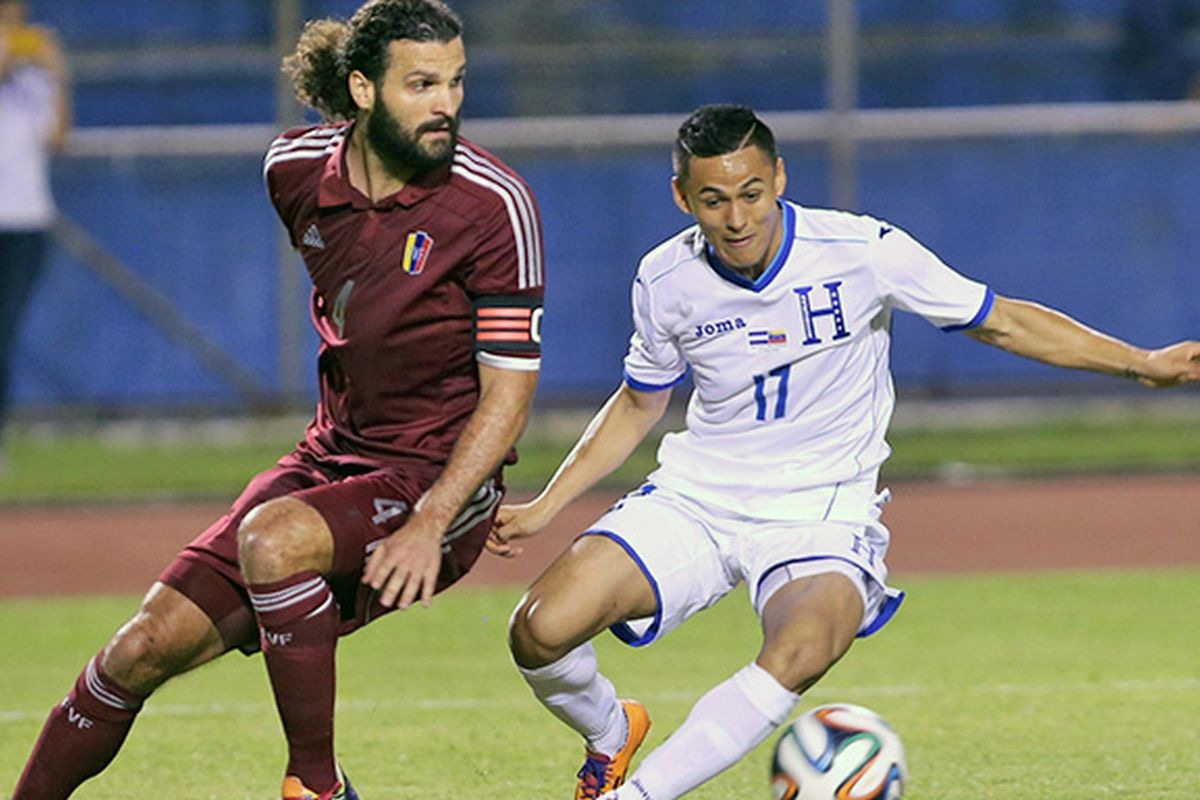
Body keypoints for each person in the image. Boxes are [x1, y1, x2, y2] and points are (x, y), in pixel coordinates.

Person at [489, 104, 1200, 800]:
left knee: (804, 646)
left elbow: (1001, 321)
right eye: (714, 200)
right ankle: (611, 735)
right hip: (699, 495)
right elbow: (640, 401)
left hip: (821, 508)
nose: (737, 218)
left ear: (780, 180)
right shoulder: (665, 279)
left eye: (751, 193)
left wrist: (1141, 363)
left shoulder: (863, 252)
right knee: (539, 630)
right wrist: (549, 502)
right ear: (682, 197)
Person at [10, 1, 544, 798]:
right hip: (331, 459)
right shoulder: (292, 172)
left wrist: (433, 519)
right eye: (421, 83)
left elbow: (510, 391)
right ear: (362, 89)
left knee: (276, 539)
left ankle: (317, 787)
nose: (446, 104)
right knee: (137, 650)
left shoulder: (492, 204)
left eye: (456, 82)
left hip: (434, 483)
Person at [0, 0, 70, 474]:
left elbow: (58, 138)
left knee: (3, 331)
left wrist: (58, 74)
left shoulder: (34, 73)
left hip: (26, 220)